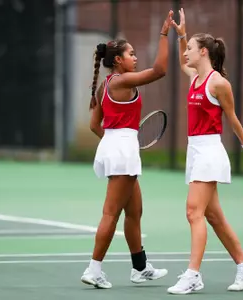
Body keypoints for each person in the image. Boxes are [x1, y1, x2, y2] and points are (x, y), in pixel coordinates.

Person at [167, 8, 243, 295]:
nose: (186, 53)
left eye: (191, 49)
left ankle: (193, 275)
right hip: (195, 151)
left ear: (204, 52)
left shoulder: (218, 83)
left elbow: (232, 118)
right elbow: (184, 62)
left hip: (209, 151)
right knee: (213, 216)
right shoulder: (195, 78)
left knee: (193, 212)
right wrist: (182, 36)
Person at [81, 10, 174, 289]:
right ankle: (93, 269)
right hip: (122, 149)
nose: (135, 57)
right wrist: (163, 34)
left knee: (135, 212)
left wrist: (115, 142)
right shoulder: (121, 81)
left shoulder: (105, 86)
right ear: (118, 61)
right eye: (131, 54)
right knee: (111, 213)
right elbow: (160, 70)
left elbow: (94, 125)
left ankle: (140, 267)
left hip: (118, 147)